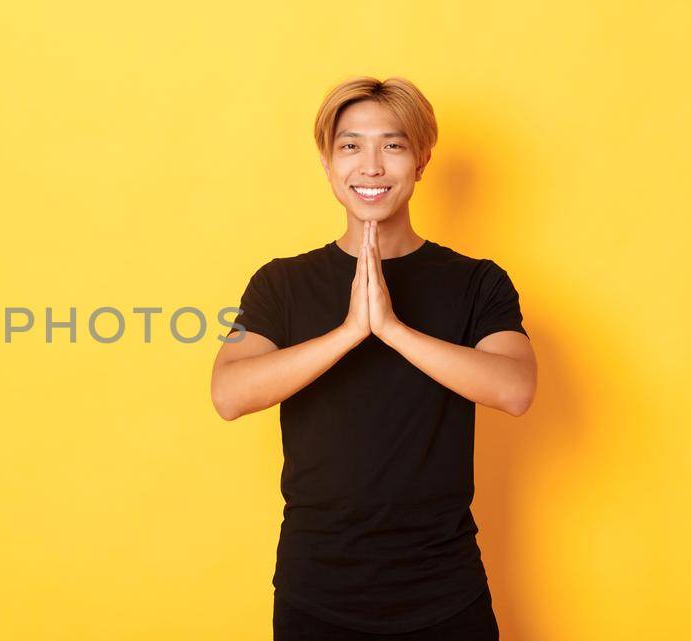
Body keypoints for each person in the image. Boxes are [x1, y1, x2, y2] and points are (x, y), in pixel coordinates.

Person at [209, 76, 537, 640]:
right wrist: (349, 331)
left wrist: (390, 328)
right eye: (350, 145)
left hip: (444, 587)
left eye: (393, 145)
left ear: (421, 160)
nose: (371, 166)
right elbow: (229, 394)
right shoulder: (282, 283)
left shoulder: (476, 282)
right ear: (327, 163)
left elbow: (515, 388)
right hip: (317, 590)